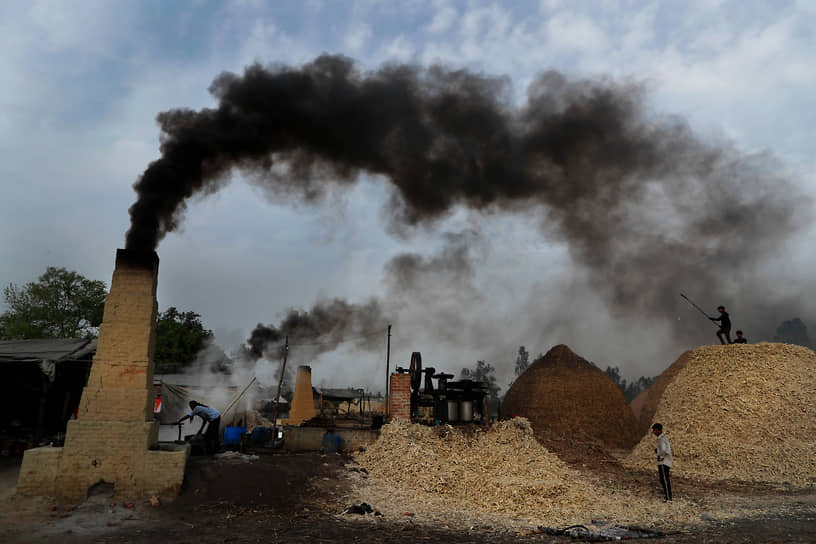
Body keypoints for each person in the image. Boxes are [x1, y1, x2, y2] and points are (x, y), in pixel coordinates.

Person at [652, 423, 672, 502]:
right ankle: (667, 497)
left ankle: (668, 498)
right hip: (665, 461)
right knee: (663, 479)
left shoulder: (661, 439)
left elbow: (663, 450)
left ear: (658, 430)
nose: (654, 432)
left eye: (654, 430)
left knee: (664, 480)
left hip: (664, 462)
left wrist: (658, 452)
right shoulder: (664, 438)